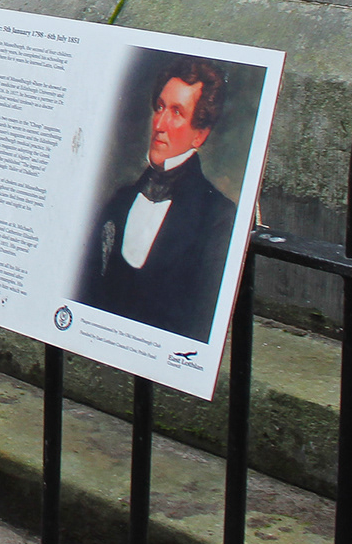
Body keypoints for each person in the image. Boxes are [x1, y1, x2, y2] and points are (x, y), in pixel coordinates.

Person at [74, 57, 238, 343]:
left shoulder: (217, 216)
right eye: (160, 107)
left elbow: (198, 325)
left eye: (176, 112)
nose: (160, 123)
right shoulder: (120, 201)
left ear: (200, 134)